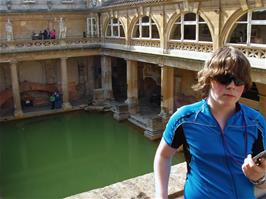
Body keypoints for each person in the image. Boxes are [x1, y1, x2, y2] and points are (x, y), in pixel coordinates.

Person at [154, 47, 266, 199]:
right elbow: (163, 156)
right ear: (209, 78)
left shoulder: (256, 122)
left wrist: (259, 177)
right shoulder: (185, 118)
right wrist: (161, 196)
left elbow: (263, 181)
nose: (231, 85)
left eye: (238, 80)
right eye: (224, 78)